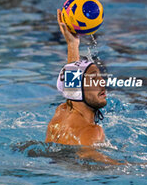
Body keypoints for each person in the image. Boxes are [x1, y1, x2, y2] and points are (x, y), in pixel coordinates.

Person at [45, 9, 123, 165]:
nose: (102, 83)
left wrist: (72, 44)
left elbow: (73, 86)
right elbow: (96, 162)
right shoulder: (92, 131)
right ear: (78, 89)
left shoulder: (61, 114)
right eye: (93, 78)